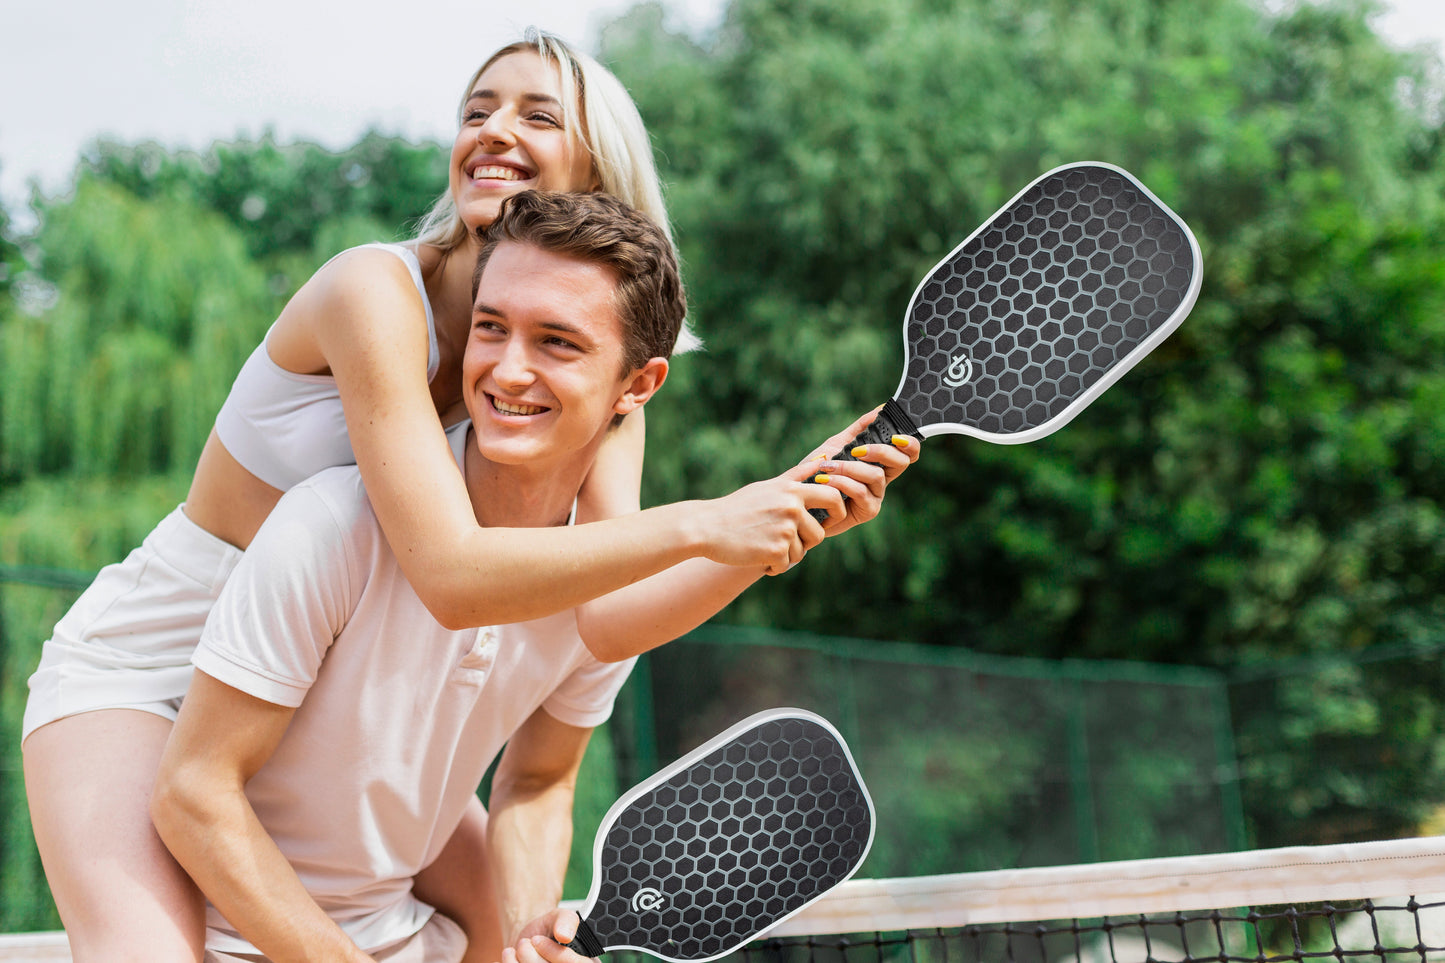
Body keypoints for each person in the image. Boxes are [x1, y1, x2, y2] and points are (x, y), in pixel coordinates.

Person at [21, 30, 920, 963]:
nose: (491, 130)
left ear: (594, 169)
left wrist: (780, 524)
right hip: (152, 673)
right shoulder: (373, 294)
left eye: (535, 114)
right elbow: (451, 571)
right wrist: (707, 520)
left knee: (516, 939)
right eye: (476, 109)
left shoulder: (601, 392)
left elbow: (601, 616)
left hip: (329, 690)